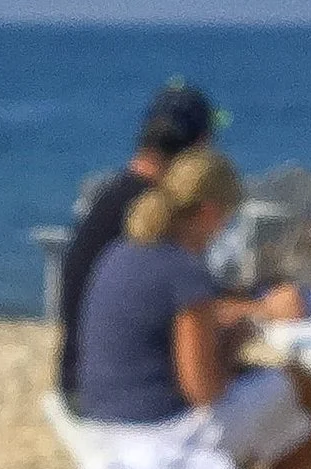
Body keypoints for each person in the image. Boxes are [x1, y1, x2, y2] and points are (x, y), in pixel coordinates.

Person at [68, 146, 311, 469]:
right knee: (297, 410)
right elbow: (202, 389)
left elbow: (166, 344)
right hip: (154, 436)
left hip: (105, 420)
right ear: (208, 212)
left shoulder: (125, 252)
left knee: (274, 404)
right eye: (225, 220)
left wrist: (233, 327)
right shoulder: (183, 271)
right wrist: (244, 333)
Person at [54, 80, 217, 401]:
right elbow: (189, 308)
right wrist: (259, 308)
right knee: (288, 391)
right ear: (197, 150)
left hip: (84, 374)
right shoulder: (153, 215)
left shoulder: (112, 198)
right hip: (115, 389)